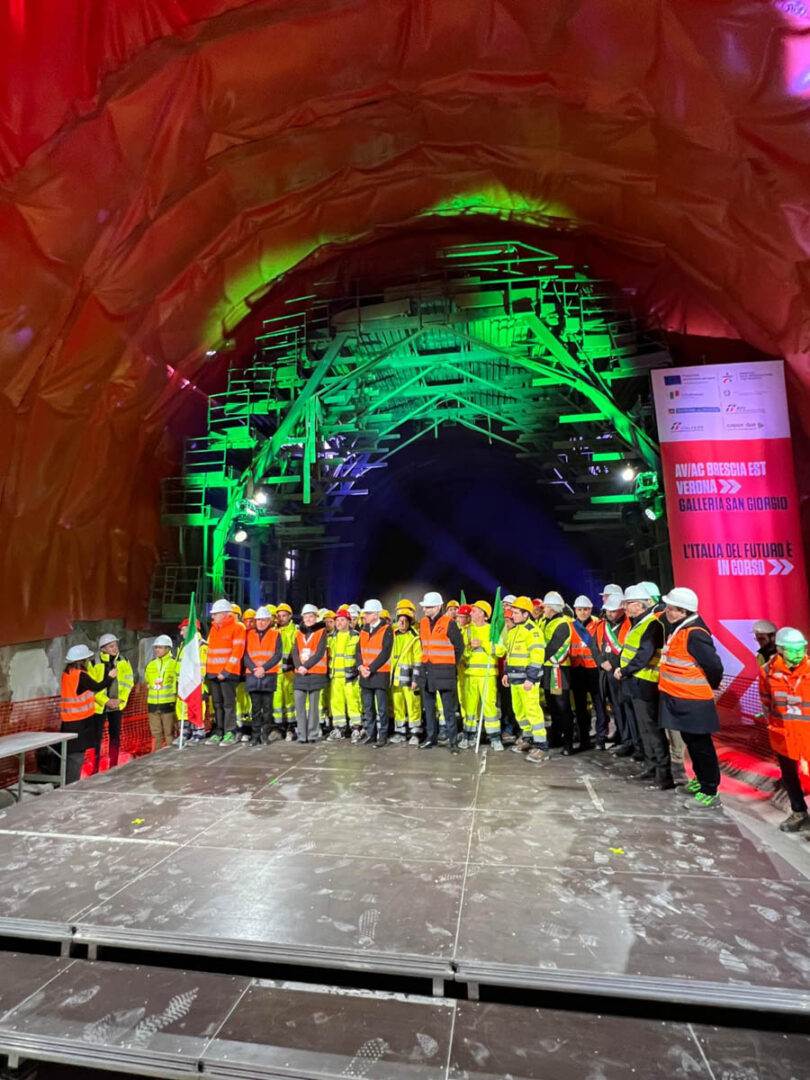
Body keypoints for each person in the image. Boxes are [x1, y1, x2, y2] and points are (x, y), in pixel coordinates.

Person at [658, 588, 724, 808]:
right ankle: (701, 779)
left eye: (671, 608)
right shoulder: (681, 628)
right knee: (693, 744)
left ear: (683, 611)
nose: (667, 611)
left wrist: (709, 686)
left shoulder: (695, 633)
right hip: (681, 699)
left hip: (694, 701)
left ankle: (710, 790)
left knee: (701, 746)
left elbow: (714, 666)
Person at [616, 584, 673, 789]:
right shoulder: (639, 623)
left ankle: (663, 775)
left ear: (640, 605)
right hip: (636, 682)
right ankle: (651, 767)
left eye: (629, 603)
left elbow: (644, 655)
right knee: (644, 729)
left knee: (652, 730)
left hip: (645, 682)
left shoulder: (652, 624)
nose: (625, 607)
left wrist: (624, 670)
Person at [759, 626, 810, 833]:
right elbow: (766, 701)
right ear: (780, 649)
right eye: (792, 650)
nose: (798, 654)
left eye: (801, 649)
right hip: (783, 734)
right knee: (789, 775)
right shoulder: (767, 672)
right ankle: (799, 813)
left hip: (807, 733)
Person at [415, 591, 464, 753]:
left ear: (437, 607)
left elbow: (459, 647)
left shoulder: (449, 623)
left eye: (428, 607)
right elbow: (424, 646)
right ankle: (431, 738)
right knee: (429, 709)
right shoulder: (423, 623)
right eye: (424, 607)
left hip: (444, 672)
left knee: (448, 710)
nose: (424, 609)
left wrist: (450, 665)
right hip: (427, 671)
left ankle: (453, 742)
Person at [60, 645, 116, 784]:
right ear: (82, 660)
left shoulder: (67, 674)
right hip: (79, 723)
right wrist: (110, 677)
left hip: (68, 721)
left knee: (70, 756)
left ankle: (67, 782)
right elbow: (97, 687)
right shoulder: (81, 675)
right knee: (76, 757)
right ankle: (71, 785)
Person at [503, 596, 547, 762]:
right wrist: (506, 673)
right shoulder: (514, 631)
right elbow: (510, 656)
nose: (512, 615)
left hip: (527, 681)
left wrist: (531, 678)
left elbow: (537, 656)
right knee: (519, 711)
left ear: (526, 614)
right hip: (515, 679)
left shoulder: (533, 631)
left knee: (532, 712)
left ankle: (541, 746)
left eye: (516, 613)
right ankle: (528, 739)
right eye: (512, 612)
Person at [594, 593, 639, 756]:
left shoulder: (630, 624)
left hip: (622, 673)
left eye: (614, 611)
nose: (610, 614)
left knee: (627, 709)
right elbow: (594, 646)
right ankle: (625, 740)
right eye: (608, 611)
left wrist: (620, 667)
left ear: (621, 610)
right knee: (616, 708)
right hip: (606, 674)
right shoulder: (601, 625)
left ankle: (634, 742)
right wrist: (601, 661)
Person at [461, 599, 506, 751]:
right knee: (470, 707)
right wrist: (469, 648)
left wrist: (483, 644)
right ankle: (468, 736)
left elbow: (501, 651)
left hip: (488, 676)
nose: (471, 613)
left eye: (474, 611)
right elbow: (463, 653)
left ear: (483, 614)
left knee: (489, 707)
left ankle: (495, 738)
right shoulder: (467, 630)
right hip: (471, 675)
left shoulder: (492, 630)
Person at [90, 633, 134, 771]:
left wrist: (120, 699)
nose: (115, 648)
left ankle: (113, 766)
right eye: (111, 646)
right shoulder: (94, 663)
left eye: (115, 645)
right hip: (99, 706)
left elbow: (129, 681)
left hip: (117, 705)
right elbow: (92, 687)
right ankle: (94, 768)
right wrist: (106, 701)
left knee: (115, 736)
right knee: (96, 738)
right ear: (103, 649)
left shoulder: (123, 660)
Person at [205, 598, 246, 745]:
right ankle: (219, 731)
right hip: (213, 673)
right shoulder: (214, 629)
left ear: (224, 614)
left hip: (227, 674)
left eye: (215, 614)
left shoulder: (238, 627)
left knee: (228, 704)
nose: (213, 616)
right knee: (217, 704)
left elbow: (237, 652)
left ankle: (230, 732)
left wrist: (226, 671)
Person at [570, 595, 607, 751]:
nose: (583, 612)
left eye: (586, 609)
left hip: (594, 670)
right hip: (577, 670)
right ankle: (584, 739)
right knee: (580, 707)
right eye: (580, 609)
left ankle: (600, 739)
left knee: (599, 705)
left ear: (591, 609)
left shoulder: (599, 624)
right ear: (575, 610)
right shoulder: (570, 626)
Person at [540, 591, 575, 754]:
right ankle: (555, 737)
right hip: (548, 670)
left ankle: (568, 743)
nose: (543, 609)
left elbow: (552, 648)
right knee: (552, 707)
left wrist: (535, 658)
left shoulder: (562, 624)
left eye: (545, 606)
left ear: (552, 608)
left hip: (558, 671)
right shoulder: (546, 622)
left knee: (562, 707)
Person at [358, 598, 394, 747]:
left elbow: (385, 653)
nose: (364, 616)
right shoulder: (364, 629)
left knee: (382, 708)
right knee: (368, 708)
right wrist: (360, 666)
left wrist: (370, 669)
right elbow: (358, 650)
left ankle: (382, 736)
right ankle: (370, 734)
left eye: (367, 613)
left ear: (375, 614)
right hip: (365, 673)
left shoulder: (387, 629)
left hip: (379, 674)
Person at [244, 606, 282, 745]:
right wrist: (255, 669)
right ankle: (255, 736)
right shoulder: (248, 634)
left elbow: (277, 655)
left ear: (269, 621)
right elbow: (245, 655)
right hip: (253, 675)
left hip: (268, 675)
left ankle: (264, 735)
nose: (261, 622)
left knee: (267, 709)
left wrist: (263, 668)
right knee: (255, 709)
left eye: (264, 620)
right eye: (259, 620)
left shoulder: (275, 634)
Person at [292, 604, 329, 743]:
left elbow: (320, 653)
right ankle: (302, 735)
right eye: (306, 616)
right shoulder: (298, 632)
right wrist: (299, 666)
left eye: (311, 616)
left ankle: (312, 735)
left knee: (314, 707)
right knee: (299, 705)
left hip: (315, 673)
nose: (308, 619)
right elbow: (294, 652)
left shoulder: (321, 632)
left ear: (316, 617)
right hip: (300, 674)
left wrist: (305, 666)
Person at [390, 601, 422, 745]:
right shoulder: (392, 635)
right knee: (398, 707)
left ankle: (415, 733)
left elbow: (418, 660)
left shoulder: (415, 637)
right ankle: (400, 732)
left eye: (405, 620)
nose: (402, 623)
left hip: (410, 681)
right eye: (400, 620)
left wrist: (416, 679)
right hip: (395, 680)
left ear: (409, 621)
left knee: (413, 706)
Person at [328, 607, 363, 740]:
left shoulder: (356, 637)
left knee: (353, 702)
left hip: (351, 677)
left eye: (342, 620)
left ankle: (356, 728)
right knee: (336, 703)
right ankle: (339, 729)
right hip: (335, 677)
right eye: (337, 620)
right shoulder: (331, 637)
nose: (339, 623)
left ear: (349, 621)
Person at [175, 616, 208, 744]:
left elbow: (203, 666)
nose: (181, 633)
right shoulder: (184, 645)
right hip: (183, 683)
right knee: (183, 707)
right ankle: (185, 732)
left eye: (183, 629)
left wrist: (195, 680)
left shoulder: (201, 645)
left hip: (195, 684)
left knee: (196, 707)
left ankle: (198, 731)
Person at [144, 634, 178, 751]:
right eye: (156, 647)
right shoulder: (151, 665)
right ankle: (156, 756)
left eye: (160, 647)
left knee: (169, 733)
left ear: (168, 648)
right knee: (156, 734)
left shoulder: (174, 663)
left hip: (168, 704)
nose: (157, 650)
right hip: (153, 705)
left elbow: (177, 683)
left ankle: (171, 756)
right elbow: (148, 682)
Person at [274, 603, 297, 738]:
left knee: (290, 701)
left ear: (290, 616)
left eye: (284, 615)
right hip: (275, 673)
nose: (281, 618)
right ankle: (278, 727)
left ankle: (291, 727)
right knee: (277, 701)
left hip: (290, 672)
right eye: (279, 616)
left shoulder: (295, 630)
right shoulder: (274, 630)